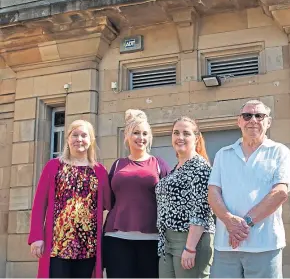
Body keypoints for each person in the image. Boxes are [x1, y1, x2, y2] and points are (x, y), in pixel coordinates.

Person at [208, 99, 290, 278]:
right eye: (247, 115)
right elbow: (213, 192)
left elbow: (280, 193)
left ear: (268, 122)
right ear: (239, 121)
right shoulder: (223, 154)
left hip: (265, 245)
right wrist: (228, 220)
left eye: (259, 115)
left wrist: (242, 225)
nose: (253, 120)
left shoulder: (279, 151)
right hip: (225, 246)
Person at [28, 120, 110, 278]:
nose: (79, 139)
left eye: (84, 135)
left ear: (91, 140)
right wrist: (36, 237)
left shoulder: (99, 171)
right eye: (75, 135)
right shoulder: (53, 166)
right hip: (58, 244)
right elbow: (39, 204)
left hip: (88, 245)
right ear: (67, 139)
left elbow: (109, 203)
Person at [103, 109, 170, 278]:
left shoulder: (159, 164)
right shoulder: (118, 164)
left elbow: (169, 201)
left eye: (145, 133)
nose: (141, 138)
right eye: (136, 133)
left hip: (151, 239)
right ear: (127, 136)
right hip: (116, 237)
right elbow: (108, 200)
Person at [156, 116, 215, 278]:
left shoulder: (200, 167)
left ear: (196, 138)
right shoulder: (175, 168)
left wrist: (190, 248)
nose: (180, 137)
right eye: (176, 133)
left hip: (190, 240)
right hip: (167, 242)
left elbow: (201, 210)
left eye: (186, 133)